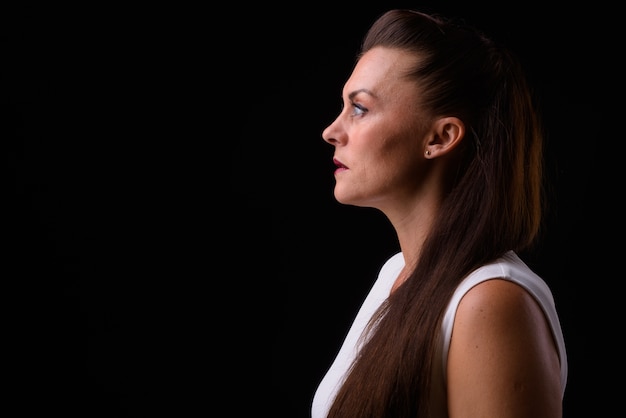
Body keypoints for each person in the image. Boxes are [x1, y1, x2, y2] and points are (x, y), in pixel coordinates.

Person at [311, 8, 568, 418]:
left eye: (359, 108)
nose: (331, 131)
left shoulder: (490, 302)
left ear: (441, 137)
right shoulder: (396, 276)